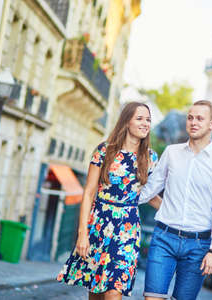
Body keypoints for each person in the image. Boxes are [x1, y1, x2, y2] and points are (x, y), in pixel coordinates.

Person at [57, 102, 161, 300]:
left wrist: (175, 214)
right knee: (96, 291)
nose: (145, 123)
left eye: (148, 119)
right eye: (139, 118)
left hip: (127, 229)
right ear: (126, 122)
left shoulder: (150, 158)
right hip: (99, 224)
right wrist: (82, 234)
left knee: (114, 290)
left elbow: (149, 196)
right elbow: (88, 193)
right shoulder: (105, 151)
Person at [139, 100, 212, 300]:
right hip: (164, 238)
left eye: (200, 118)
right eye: (190, 117)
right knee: (152, 297)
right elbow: (149, 190)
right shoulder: (172, 153)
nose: (193, 122)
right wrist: (116, 198)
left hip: (198, 246)